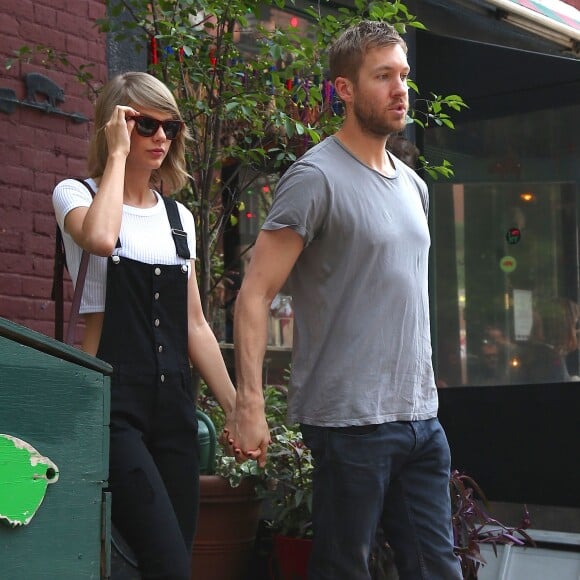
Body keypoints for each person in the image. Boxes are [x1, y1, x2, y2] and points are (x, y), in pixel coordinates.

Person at [229, 20, 462, 580]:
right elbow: (255, 294)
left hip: (419, 416)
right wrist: (250, 405)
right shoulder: (315, 177)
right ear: (346, 90)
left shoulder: (413, 185)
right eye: (383, 76)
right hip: (348, 420)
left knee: (438, 568)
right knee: (343, 569)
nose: (399, 89)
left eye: (403, 75)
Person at [52, 72, 237, 580]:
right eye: (145, 124)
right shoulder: (75, 194)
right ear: (115, 125)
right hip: (113, 406)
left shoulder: (179, 219)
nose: (161, 137)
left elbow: (195, 324)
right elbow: (101, 239)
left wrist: (237, 408)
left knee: (173, 558)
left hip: (174, 407)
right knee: (166, 563)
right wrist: (114, 157)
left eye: (170, 126)